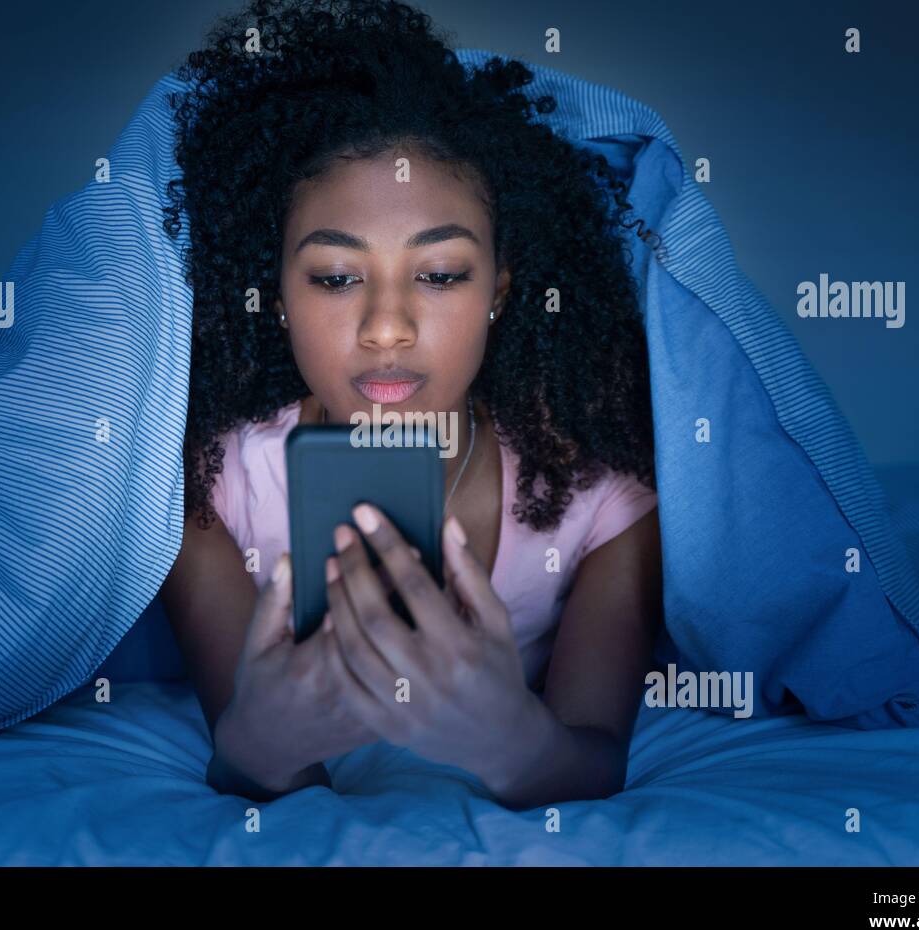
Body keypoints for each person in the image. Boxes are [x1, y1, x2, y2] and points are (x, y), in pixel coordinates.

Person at [158, 0, 663, 811]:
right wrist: (263, 744)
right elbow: (247, 766)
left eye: (440, 274)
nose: (386, 328)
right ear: (278, 296)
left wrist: (518, 745)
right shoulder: (206, 489)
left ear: (499, 292)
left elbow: (593, 758)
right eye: (333, 277)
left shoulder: (606, 500)